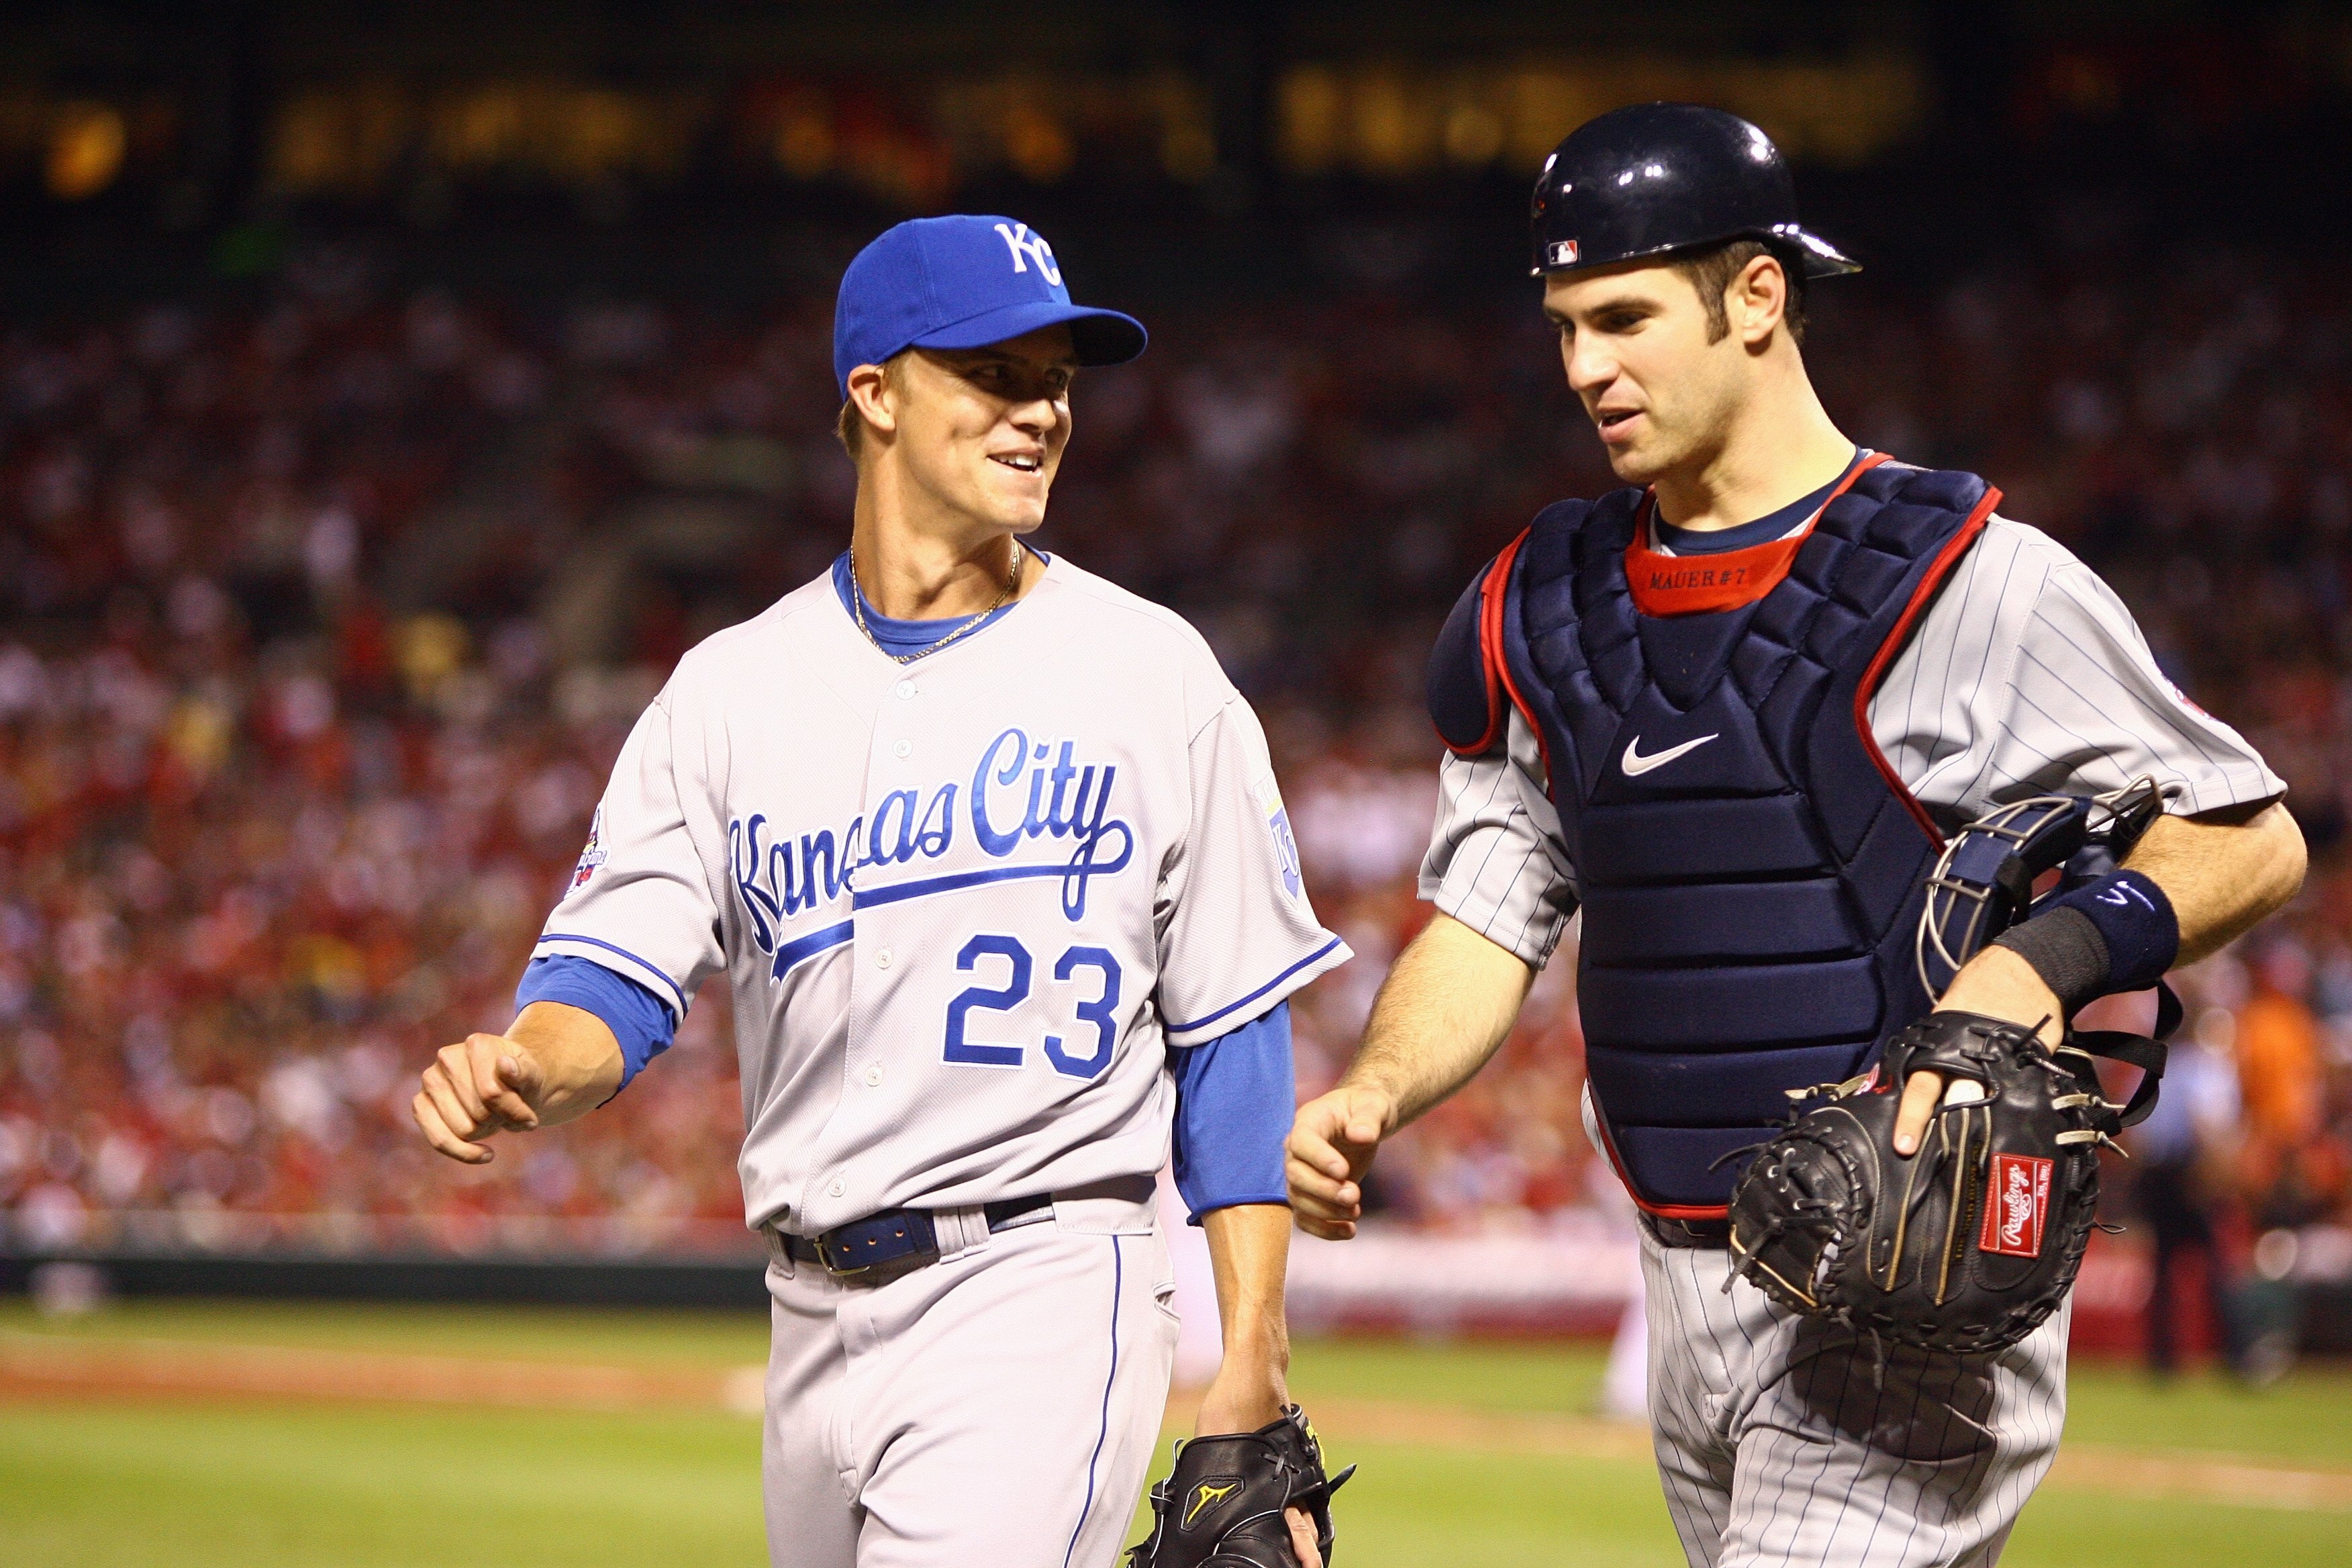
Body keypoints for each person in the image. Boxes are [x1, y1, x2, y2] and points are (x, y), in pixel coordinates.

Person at [1287, 103, 2306, 1568]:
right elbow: (1487, 910)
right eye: (1567, 325)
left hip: (1908, 1294)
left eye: (1627, 316)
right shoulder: (1547, 610)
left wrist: (2036, 969)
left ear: (1758, 294)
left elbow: (2249, 833)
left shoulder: (1972, 579)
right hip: (1686, 1290)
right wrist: (1375, 1091)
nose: (1586, 366)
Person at [412, 215, 1347, 1567]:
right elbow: (614, 973)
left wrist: (1249, 1356)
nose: (1041, 414)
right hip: (808, 1311)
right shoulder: (729, 690)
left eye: (1059, 383)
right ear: (874, 391)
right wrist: (523, 1067)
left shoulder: (1155, 675)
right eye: (997, 374)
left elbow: (1233, 1041)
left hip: (1038, 1282)